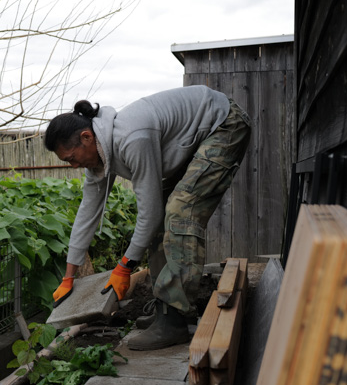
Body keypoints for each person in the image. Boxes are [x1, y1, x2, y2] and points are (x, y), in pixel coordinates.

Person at [44, 85, 251, 350]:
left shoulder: (132, 138)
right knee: (162, 217)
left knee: (179, 211)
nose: (73, 166)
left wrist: (124, 267)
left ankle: (174, 319)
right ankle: (166, 308)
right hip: (198, 136)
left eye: (72, 159)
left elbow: (150, 213)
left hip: (223, 124)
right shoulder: (100, 156)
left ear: (86, 137)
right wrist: (69, 275)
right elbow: (87, 213)